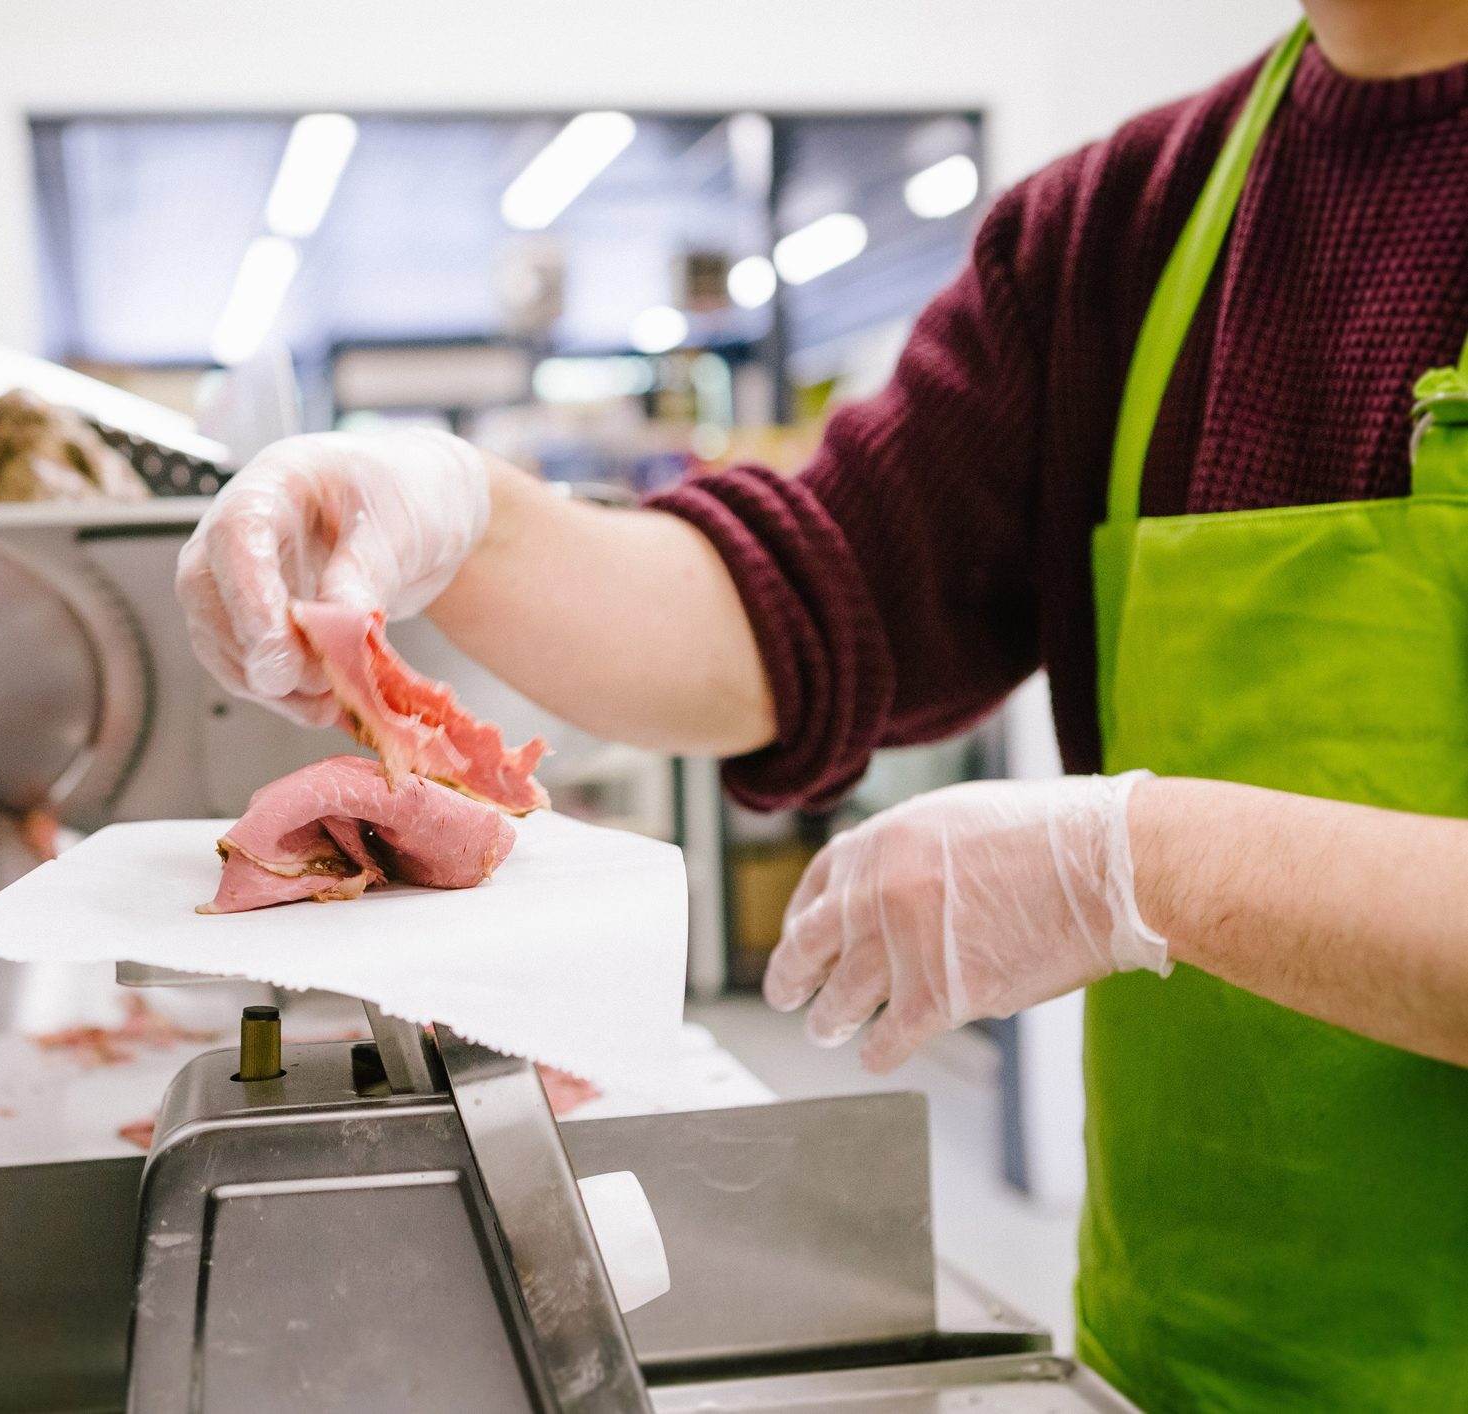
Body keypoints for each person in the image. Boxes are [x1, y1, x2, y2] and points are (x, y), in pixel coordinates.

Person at [175, 2, 1468, 1408]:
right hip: (1181, 1360)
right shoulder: (1124, 227)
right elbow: (797, 595)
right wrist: (462, 520)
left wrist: (1147, 867)